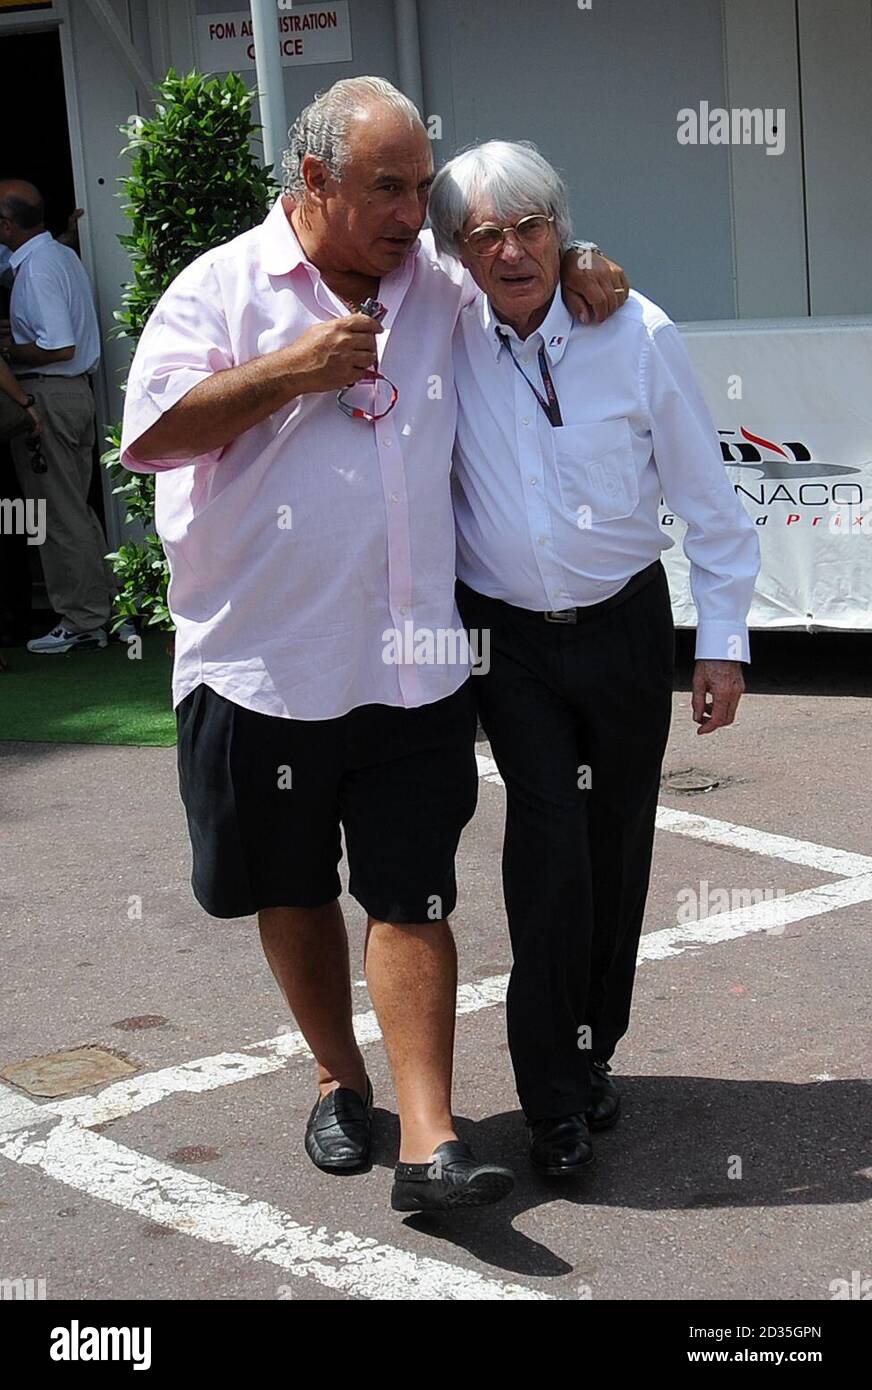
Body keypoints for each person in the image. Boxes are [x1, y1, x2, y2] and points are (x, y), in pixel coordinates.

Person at [119, 79, 628, 1213]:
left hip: (411, 666)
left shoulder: (437, 288)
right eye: (387, 189)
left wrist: (582, 259)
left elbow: (518, 267)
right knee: (290, 887)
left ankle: (431, 1138)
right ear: (314, 182)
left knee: (414, 896)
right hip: (261, 664)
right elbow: (149, 437)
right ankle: (337, 1077)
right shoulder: (222, 289)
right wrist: (291, 370)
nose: (415, 213)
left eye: (418, 187)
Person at [428, 141, 761, 1177]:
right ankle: (552, 1105)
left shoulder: (635, 329)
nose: (512, 250)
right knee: (547, 856)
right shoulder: (438, 328)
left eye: (531, 227)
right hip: (507, 642)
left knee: (616, 853)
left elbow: (707, 503)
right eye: (485, 234)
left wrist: (721, 644)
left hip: (622, 626)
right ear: (457, 253)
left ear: (561, 230)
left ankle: (592, 1049)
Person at [0, 180, 112, 653]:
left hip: (49, 398)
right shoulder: (56, 256)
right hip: (72, 396)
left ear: (7, 225)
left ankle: (83, 620)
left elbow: (58, 345)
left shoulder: (39, 268)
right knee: (73, 511)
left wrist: (8, 349)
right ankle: (100, 608)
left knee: (56, 515)